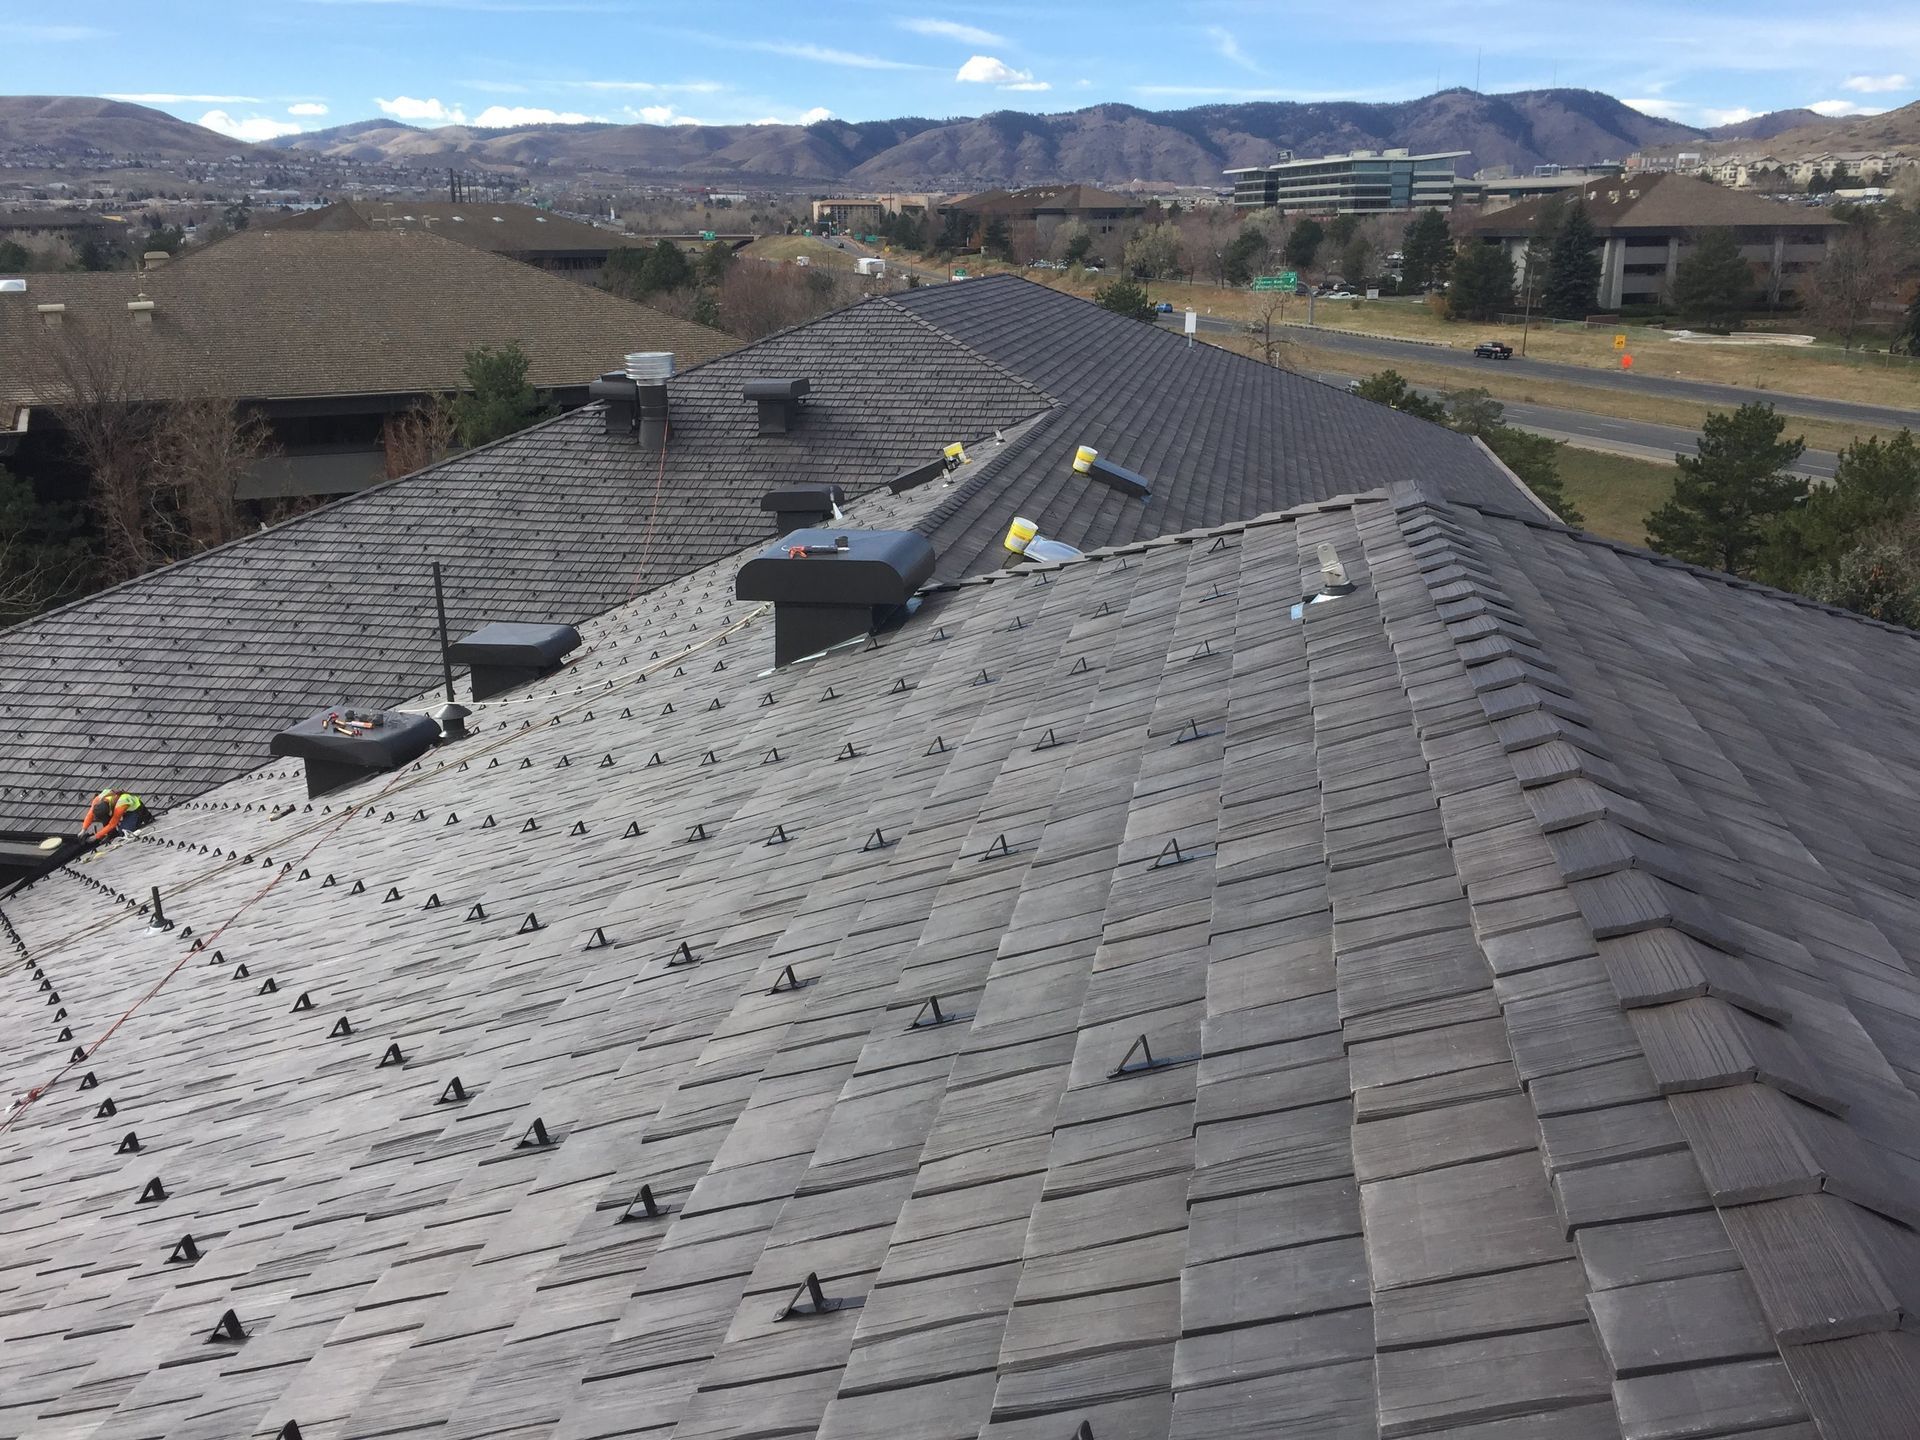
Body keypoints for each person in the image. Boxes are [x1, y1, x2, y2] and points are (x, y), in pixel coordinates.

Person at [79, 788, 146, 840]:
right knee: (104, 817)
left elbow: (112, 824)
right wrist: (83, 830)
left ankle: (143, 817)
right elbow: (90, 814)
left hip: (136, 809)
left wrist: (96, 836)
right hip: (125, 810)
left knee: (124, 831)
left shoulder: (120, 805)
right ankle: (112, 834)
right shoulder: (97, 801)